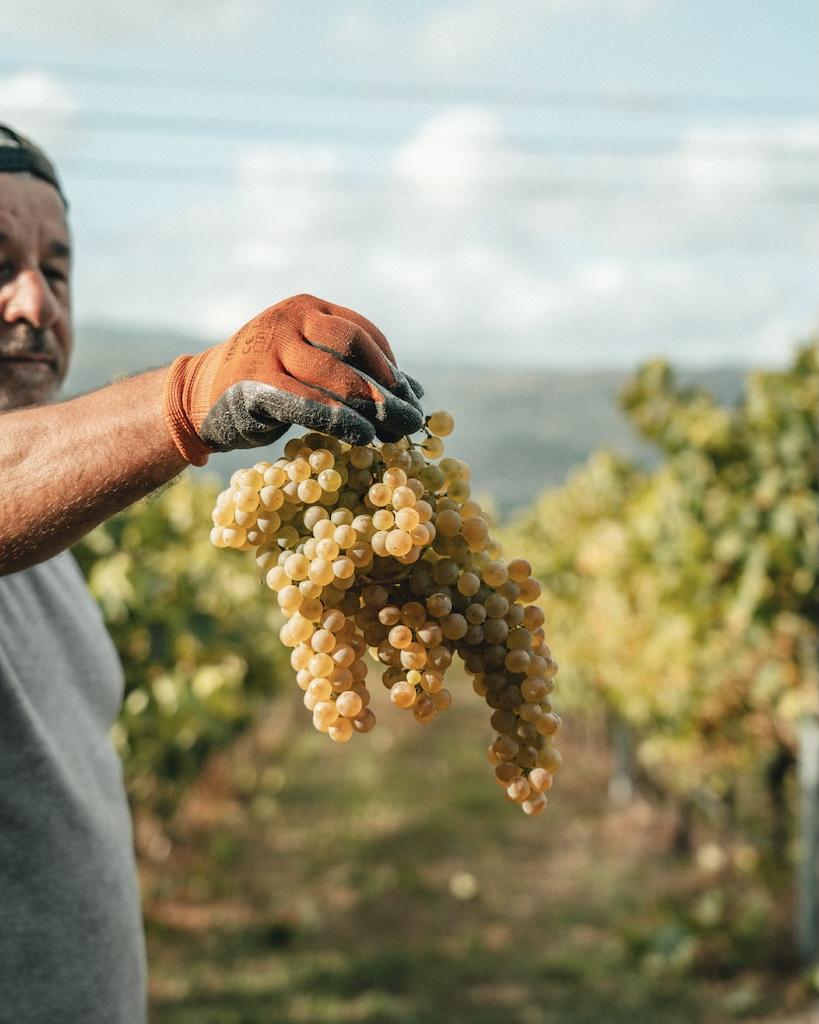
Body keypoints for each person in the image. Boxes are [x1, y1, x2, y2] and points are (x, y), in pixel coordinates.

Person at [0, 123, 424, 1024]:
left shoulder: (49, 535)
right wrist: (185, 401)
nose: (35, 301)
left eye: (58, 270)